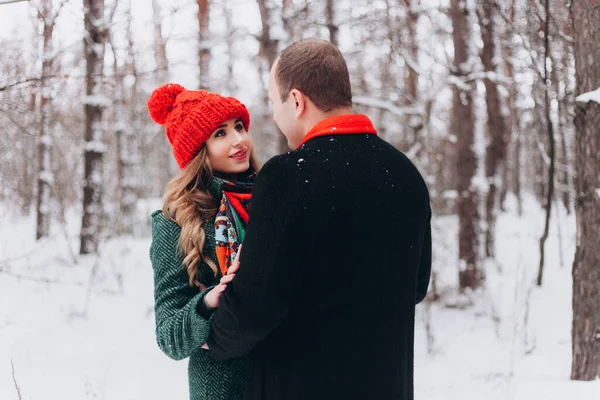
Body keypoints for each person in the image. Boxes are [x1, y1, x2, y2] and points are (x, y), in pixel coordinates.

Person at [204, 38, 432, 400]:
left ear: (296, 101)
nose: (275, 116)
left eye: (274, 102)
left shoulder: (288, 178)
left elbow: (253, 308)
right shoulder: (405, 174)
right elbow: (416, 286)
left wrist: (209, 338)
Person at [147, 83, 258, 400]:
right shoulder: (176, 221)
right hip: (224, 386)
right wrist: (210, 301)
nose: (239, 140)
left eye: (239, 127)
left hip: (284, 375)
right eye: (220, 134)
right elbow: (169, 335)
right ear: (198, 150)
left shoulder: (271, 198)